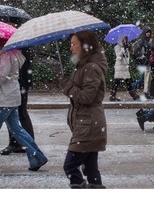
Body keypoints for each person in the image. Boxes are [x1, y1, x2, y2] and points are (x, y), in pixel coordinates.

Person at [0, 38, 48, 173]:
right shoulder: (13, 54)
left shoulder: (7, 56)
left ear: (0, 43)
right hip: (10, 97)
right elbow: (4, 78)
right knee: (17, 130)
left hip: (4, 100)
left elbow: (1, 77)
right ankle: (37, 157)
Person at [60, 30, 108, 189]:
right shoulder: (83, 65)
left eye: (74, 44)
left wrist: (68, 87)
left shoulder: (90, 67)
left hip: (88, 126)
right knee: (90, 169)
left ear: (85, 46)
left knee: (70, 166)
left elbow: (87, 97)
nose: (71, 48)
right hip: (86, 123)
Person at [0, 47, 35, 155]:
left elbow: (21, 64)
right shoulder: (18, 42)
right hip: (18, 82)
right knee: (13, 115)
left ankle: (27, 144)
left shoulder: (18, 44)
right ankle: (18, 143)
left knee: (20, 113)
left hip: (19, 82)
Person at [110, 35, 140, 101]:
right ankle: (112, 96)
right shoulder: (117, 47)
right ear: (121, 39)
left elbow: (127, 57)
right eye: (124, 39)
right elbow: (118, 57)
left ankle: (133, 95)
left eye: (126, 39)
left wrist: (127, 49)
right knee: (117, 82)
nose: (125, 40)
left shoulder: (126, 46)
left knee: (128, 81)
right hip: (120, 67)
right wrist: (123, 50)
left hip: (125, 67)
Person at [131, 26, 153, 99]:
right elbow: (136, 51)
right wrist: (142, 56)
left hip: (148, 61)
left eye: (149, 32)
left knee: (146, 78)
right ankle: (134, 87)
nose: (148, 34)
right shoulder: (141, 40)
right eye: (147, 32)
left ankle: (136, 88)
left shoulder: (149, 40)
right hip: (143, 62)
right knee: (145, 78)